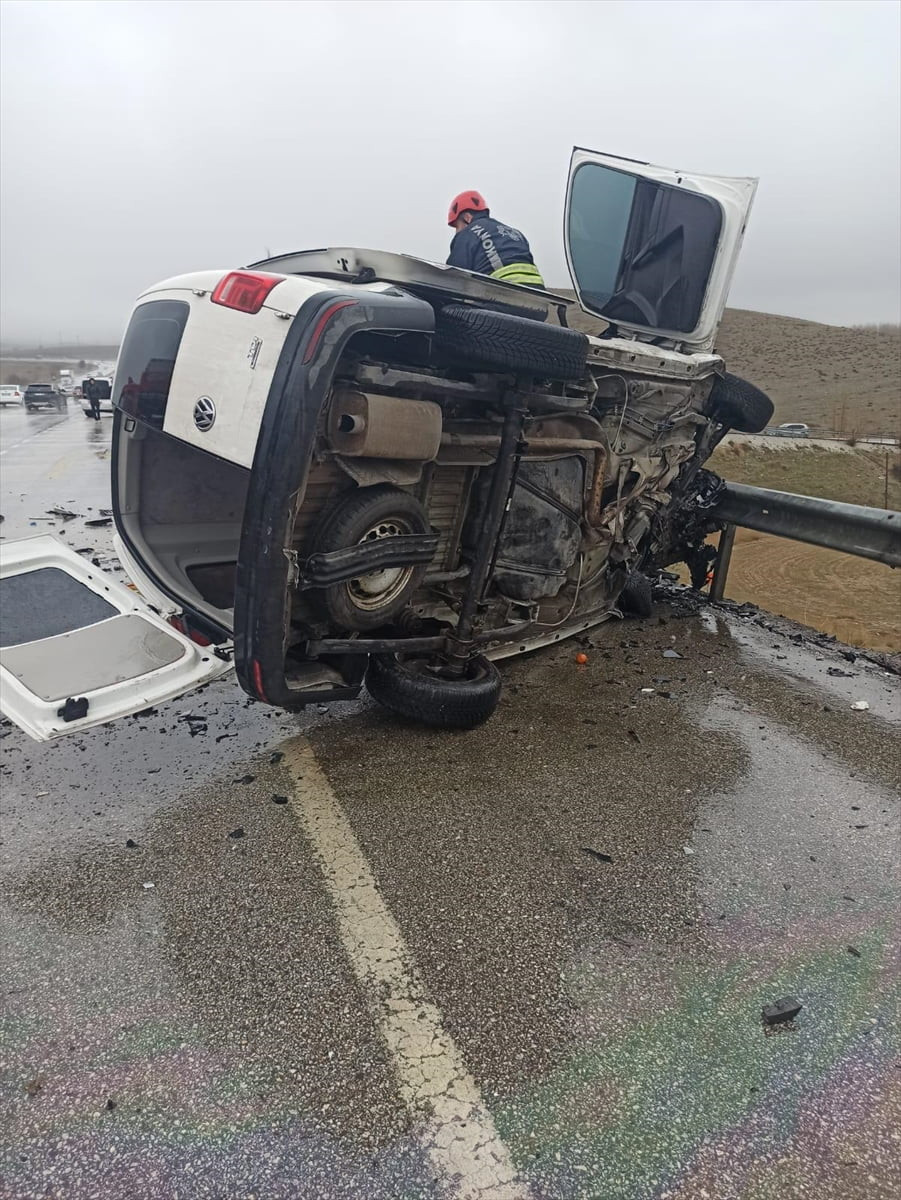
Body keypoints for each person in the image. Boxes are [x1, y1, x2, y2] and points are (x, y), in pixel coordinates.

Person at [446, 191, 545, 289]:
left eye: (457, 226)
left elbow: (453, 277)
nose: (456, 232)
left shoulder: (467, 233)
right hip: (538, 294)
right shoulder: (515, 233)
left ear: (467, 218)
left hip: (501, 294)